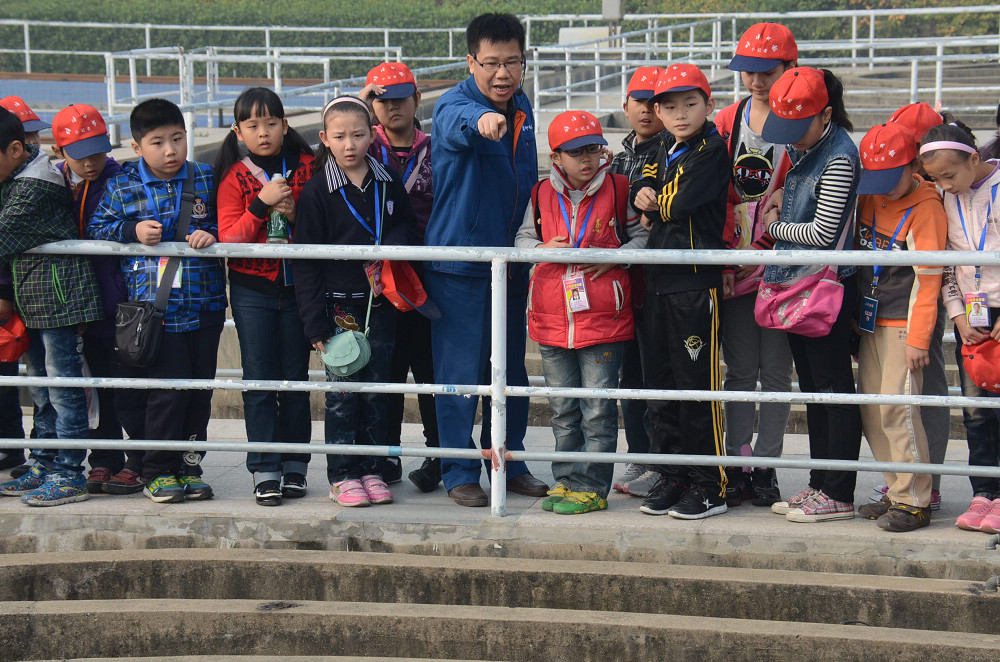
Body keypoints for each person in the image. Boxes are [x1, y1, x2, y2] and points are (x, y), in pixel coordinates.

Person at [422, 12, 548, 507]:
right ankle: (458, 470)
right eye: (491, 62)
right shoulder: (455, 104)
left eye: (512, 62)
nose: (502, 73)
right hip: (461, 264)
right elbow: (459, 124)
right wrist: (483, 121)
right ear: (470, 61)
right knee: (459, 376)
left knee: (512, 372)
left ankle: (509, 460)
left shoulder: (523, 105)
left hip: (511, 262)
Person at [89, 98, 227, 504]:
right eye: (158, 142)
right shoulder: (123, 185)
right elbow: (98, 227)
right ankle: (157, 471)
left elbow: (228, 220)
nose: (170, 150)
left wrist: (212, 232)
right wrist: (131, 230)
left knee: (199, 393)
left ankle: (189, 466)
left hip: (205, 304)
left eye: (177, 139)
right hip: (156, 311)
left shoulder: (205, 177)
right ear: (136, 147)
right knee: (165, 392)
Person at [515, 110, 645, 515]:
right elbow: (522, 240)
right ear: (556, 157)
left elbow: (643, 238)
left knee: (598, 411)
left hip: (604, 321)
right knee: (563, 410)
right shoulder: (540, 193)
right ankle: (567, 480)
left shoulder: (620, 188)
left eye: (593, 149)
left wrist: (615, 257)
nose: (587, 159)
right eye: (576, 152)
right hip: (551, 320)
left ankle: (592, 487)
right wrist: (542, 250)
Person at [292, 96, 416, 508]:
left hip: (381, 302)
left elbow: (407, 225)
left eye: (359, 135)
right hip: (337, 308)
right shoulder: (317, 191)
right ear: (325, 138)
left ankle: (372, 469)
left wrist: (390, 244)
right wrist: (314, 324)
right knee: (343, 394)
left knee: (377, 392)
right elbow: (305, 263)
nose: (350, 145)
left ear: (372, 135)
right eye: (340, 136)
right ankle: (342, 474)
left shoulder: (387, 179)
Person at [756, 67, 862, 523]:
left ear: (826, 114)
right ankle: (820, 484)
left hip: (824, 288)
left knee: (833, 390)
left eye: (799, 127)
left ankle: (838, 490)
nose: (792, 138)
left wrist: (774, 226)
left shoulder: (839, 157)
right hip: (800, 284)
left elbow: (822, 234)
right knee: (816, 391)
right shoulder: (809, 147)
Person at [629, 63, 731, 520]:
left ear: (709, 105)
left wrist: (654, 202)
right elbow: (641, 184)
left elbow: (679, 201)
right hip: (658, 281)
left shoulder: (712, 149)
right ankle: (674, 476)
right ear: (658, 112)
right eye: (669, 107)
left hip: (694, 283)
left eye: (690, 104)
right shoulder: (663, 146)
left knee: (697, 389)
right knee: (661, 386)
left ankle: (710, 484)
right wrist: (645, 191)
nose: (680, 114)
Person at [215, 87, 315, 506]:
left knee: (295, 380)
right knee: (258, 381)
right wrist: (261, 203)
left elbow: (325, 226)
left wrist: (295, 214)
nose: (263, 132)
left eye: (271, 123)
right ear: (238, 132)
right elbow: (229, 239)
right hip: (252, 291)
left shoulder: (309, 167)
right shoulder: (233, 176)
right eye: (253, 125)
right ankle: (265, 469)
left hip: (298, 289)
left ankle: (295, 467)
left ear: (285, 125)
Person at [712, 22, 797, 507]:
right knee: (741, 370)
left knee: (778, 375)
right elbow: (714, 195)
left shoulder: (803, 123)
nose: (757, 81)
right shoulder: (727, 121)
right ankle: (738, 463)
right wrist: (729, 260)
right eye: (748, 71)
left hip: (783, 267)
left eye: (767, 71)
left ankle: (767, 465)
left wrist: (765, 247)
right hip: (737, 265)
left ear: (791, 67)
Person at [0, 107, 101, 506]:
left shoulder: (35, 186)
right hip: (36, 297)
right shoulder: (18, 176)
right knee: (42, 387)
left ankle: (70, 472)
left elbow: (2, 235)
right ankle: (44, 462)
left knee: (62, 389)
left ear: (14, 150)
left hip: (59, 299)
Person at [853, 121, 946, 532]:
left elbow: (929, 280)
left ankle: (916, 500)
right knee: (873, 412)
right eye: (877, 178)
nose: (884, 188)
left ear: (914, 166)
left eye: (892, 177)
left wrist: (920, 338)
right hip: (870, 322)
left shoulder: (927, 207)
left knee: (897, 409)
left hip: (904, 326)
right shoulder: (870, 194)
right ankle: (896, 491)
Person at [359, 62, 441, 492]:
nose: (392, 107)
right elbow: (326, 146)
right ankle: (385, 455)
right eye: (382, 100)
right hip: (378, 278)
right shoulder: (363, 145)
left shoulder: (437, 148)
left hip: (428, 276)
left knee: (430, 372)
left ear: (416, 100)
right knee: (385, 372)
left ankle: (439, 455)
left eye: (400, 98)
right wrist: (360, 100)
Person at [919, 123, 1000, 533]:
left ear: (974, 158)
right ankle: (984, 491)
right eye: (936, 179)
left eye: (950, 175)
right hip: (973, 313)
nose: (945, 186)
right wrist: (957, 314)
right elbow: (948, 262)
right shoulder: (948, 198)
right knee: (976, 412)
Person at [607, 66, 663, 498]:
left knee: (657, 374)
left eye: (655, 102)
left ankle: (660, 461)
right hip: (623, 283)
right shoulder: (616, 158)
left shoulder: (674, 151)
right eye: (639, 101)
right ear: (625, 105)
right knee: (630, 375)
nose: (646, 110)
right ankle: (640, 455)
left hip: (660, 281)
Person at [0, 95, 51, 476]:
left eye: (34, 134)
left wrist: (3, 294)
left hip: (42, 300)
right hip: (24, 295)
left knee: (47, 385)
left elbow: (5, 237)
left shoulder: (33, 182)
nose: (35, 140)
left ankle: (48, 461)